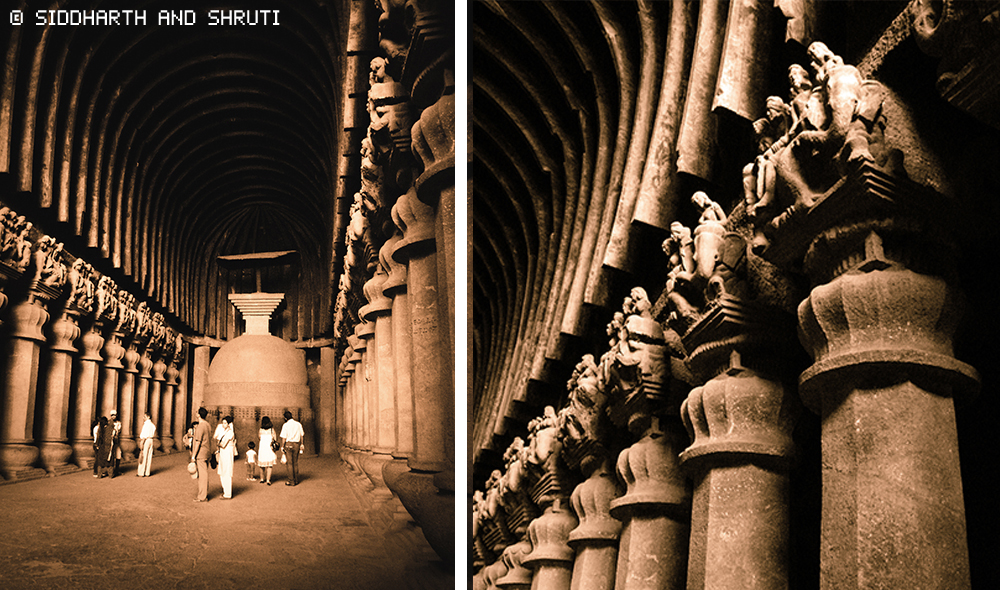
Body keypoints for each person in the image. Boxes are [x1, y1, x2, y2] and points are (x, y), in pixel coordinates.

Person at [190, 408, 212, 502]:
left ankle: (202, 497)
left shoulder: (200, 426)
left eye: (196, 412)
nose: (196, 413)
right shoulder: (208, 425)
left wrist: (193, 456)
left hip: (201, 453)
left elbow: (198, 442)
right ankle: (203, 495)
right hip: (206, 452)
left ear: (199, 415)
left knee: (202, 476)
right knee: (204, 474)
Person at [279, 410, 305, 486]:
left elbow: (284, 437)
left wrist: (282, 446)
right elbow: (301, 435)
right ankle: (296, 480)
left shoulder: (285, 425)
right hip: (297, 444)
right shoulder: (298, 424)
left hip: (288, 444)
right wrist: (302, 444)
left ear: (285, 418)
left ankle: (291, 481)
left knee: (289, 463)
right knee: (295, 463)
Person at [214, 416, 237, 499]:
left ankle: (228, 493)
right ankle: (225, 490)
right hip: (223, 453)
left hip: (227, 453)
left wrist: (218, 444)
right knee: (222, 471)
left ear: (229, 424)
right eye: (222, 423)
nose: (223, 425)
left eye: (225, 423)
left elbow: (223, 445)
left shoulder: (230, 432)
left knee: (227, 471)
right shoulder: (223, 432)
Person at [257, 416, 277, 486]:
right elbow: (275, 439)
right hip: (269, 448)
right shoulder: (272, 430)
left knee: (261, 465)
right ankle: (268, 480)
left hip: (262, 448)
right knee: (269, 465)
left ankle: (262, 479)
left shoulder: (260, 430)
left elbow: (259, 437)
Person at [137, 412, 155, 477]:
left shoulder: (146, 425)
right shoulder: (152, 425)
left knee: (143, 456)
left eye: (144, 416)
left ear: (148, 417)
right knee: (149, 456)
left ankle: (141, 472)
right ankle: (147, 472)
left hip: (146, 440)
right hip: (151, 440)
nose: (143, 418)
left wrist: (142, 442)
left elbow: (144, 434)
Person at [110, 410, 122, 476]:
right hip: (110, 441)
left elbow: (119, 431)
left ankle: (117, 470)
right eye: (112, 415)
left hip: (116, 441)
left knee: (118, 454)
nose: (113, 416)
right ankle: (109, 471)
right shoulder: (108, 422)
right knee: (110, 456)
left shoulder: (119, 423)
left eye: (114, 415)